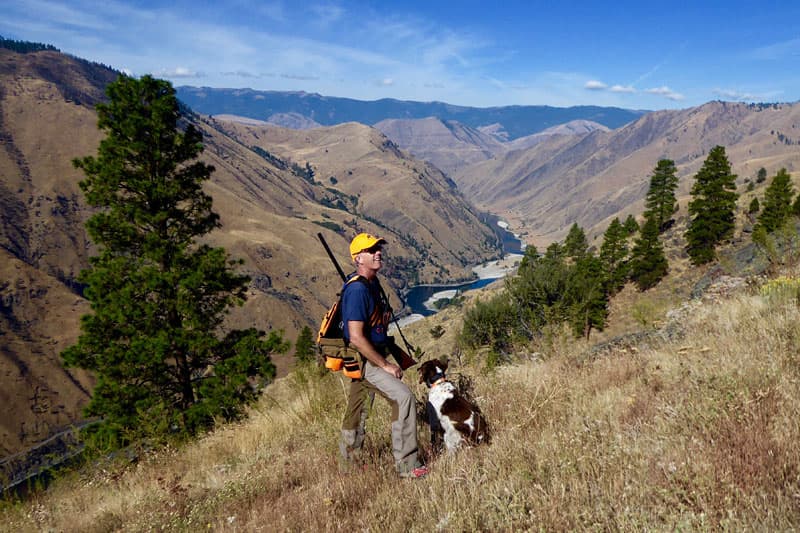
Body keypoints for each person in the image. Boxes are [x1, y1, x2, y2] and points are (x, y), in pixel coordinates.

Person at [339, 233, 428, 479]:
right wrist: (385, 364)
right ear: (358, 258)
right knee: (403, 398)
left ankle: (349, 463)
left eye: (378, 248)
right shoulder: (357, 290)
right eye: (371, 250)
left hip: (370, 355)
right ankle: (408, 466)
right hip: (365, 360)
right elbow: (356, 337)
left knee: (357, 409)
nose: (378, 252)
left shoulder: (371, 282)